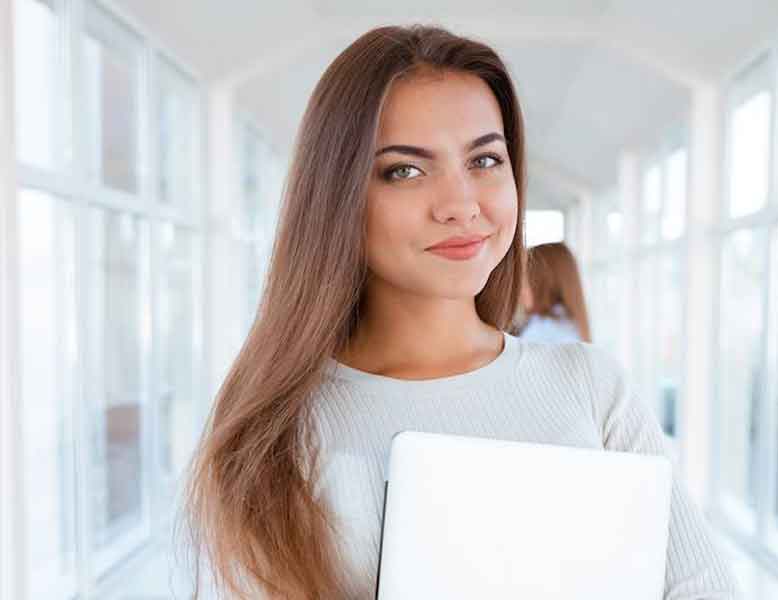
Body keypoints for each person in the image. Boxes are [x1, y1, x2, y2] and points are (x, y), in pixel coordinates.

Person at [184, 25, 738, 600]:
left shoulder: (591, 388)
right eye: (405, 169)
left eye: (485, 159)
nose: (462, 205)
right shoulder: (280, 432)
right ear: (337, 195)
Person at [517, 242, 591, 343]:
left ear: (542, 283)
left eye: (523, 280)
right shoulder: (572, 326)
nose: (518, 290)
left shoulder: (540, 333)